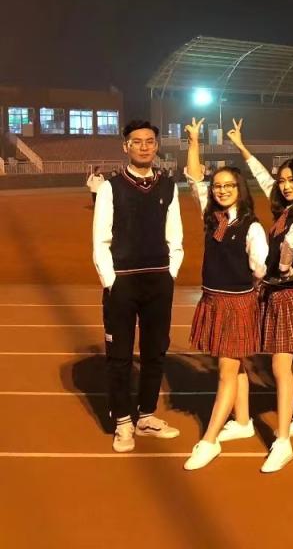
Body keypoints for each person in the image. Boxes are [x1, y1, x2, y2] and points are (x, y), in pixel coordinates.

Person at [230, 119, 293, 473]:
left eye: (291, 180)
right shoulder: (285, 209)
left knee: (280, 367)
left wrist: (281, 269)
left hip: (288, 294)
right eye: (282, 180)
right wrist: (243, 149)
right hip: (287, 294)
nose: (285, 186)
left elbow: (290, 244)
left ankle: (282, 442)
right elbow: (264, 180)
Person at [181, 117, 268, 470]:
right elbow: (194, 178)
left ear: (240, 189)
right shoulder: (212, 216)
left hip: (236, 303)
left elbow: (260, 267)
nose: (220, 190)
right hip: (213, 299)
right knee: (234, 363)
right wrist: (194, 141)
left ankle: (209, 439)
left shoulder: (251, 226)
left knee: (226, 371)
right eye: (217, 186)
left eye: (228, 186)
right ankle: (243, 421)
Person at [92, 120, 183, 452]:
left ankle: (145, 416)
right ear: (125, 146)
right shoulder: (110, 187)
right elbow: (101, 239)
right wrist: (111, 281)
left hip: (158, 280)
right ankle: (122, 423)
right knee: (120, 356)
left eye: (149, 141)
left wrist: (170, 272)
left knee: (154, 352)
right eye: (137, 141)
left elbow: (175, 234)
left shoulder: (168, 185)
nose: (144, 146)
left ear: (157, 145)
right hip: (123, 284)